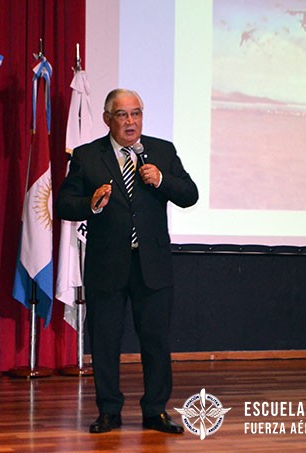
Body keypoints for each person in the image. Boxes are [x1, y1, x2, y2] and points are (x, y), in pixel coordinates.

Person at [56, 88, 199, 434]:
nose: (131, 121)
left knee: (155, 341)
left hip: (152, 265)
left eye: (136, 113)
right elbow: (63, 205)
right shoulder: (88, 156)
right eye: (123, 115)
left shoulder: (162, 151)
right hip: (107, 266)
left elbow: (190, 195)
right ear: (108, 119)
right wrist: (90, 203)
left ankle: (155, 411)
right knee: (105, 341)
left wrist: (162, 180)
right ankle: (109, 411)